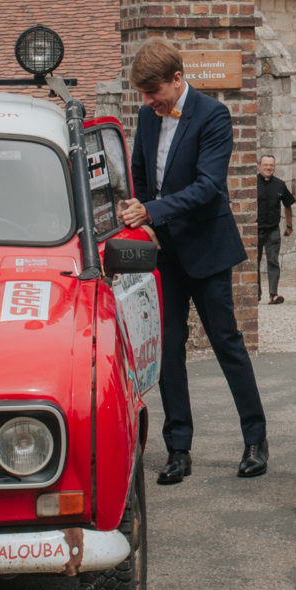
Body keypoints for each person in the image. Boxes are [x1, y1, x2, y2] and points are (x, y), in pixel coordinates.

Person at [119, 39, 268, 483]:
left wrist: (153, 211)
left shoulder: (214, 115)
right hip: (163, 252)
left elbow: (208, 187)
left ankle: (255, 439)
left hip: (206, 247)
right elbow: (142, 175)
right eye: (145, 96)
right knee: (168, 350)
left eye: (154, 93)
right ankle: (178, 449)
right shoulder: (147, 116)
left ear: (178, 79)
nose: (149, 103)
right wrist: (142, 215)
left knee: (227, 342)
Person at [256, 154, 295, 305]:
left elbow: (288, 205)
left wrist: (289, 226)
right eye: (265, 165)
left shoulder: (279, 185)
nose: (268, 168)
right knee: (254, 263)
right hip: (256, 230)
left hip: (273, 229)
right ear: (260, 166)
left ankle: (273, 295)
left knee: (273, 261)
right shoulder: (252, 183)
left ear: (274, 167)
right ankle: (255, 294)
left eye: (271, 165)